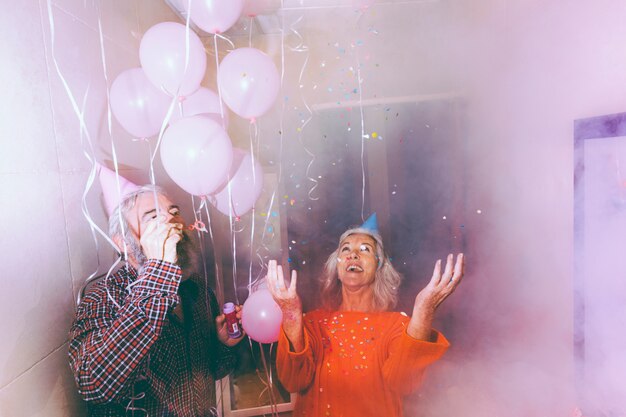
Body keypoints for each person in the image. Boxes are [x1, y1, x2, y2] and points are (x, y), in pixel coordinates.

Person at [69, 168, 244, 416]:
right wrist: (158, 273)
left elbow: (212, 371)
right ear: (122, 241)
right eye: (153, 217)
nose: (173, 224)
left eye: (174, 213)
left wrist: (224, 345)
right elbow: (93, 384)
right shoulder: (105, 297)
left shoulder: (198, 291)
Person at [267, 217, 464, 417]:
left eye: (365, 249)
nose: (353, 255)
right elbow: (292, 381)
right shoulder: (313, 323)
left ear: (379, 265)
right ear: (337, 266)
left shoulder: (397, 326)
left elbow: (404, 382)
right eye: (345, 249)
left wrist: (424, 310)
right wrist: (291, 315)